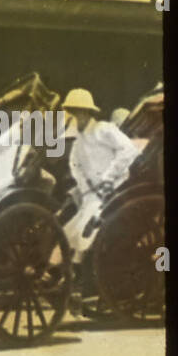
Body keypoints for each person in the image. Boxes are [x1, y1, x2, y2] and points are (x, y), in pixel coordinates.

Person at [60, 88, 140, 260]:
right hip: (92, 196)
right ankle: (66, 271)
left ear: (84, 112)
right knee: (67, 233)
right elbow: (75, 167)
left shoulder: (103, 129)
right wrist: (84, 189)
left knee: (84, 229)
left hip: (115, 190)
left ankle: (77, 267)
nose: (71, 117)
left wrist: (109, 177)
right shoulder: (77, 143)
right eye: (70, 112)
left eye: (74, 112)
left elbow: (129, 149)